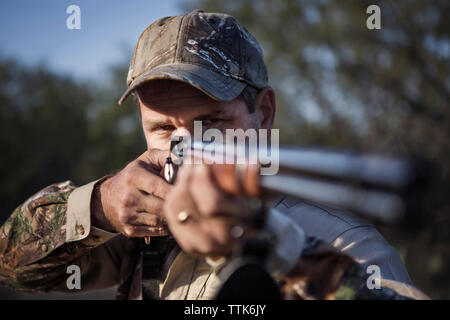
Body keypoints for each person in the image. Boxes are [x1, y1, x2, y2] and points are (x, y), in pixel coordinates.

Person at [0, 9, 428, 300]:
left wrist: (284, 252)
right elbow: (11, 265)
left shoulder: (343, 242)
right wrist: (101, 205)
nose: (184, 146)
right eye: (163, 128)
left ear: (263, 113)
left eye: (213, 123)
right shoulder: (140, 225)